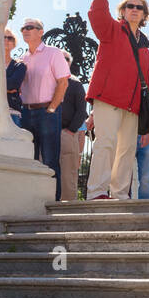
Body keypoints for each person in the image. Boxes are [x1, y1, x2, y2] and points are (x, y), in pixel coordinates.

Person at [85, 0, 149, 201]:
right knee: (106, 143)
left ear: (144, 14)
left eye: (139, 7)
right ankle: (97, 192)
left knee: (125, 151)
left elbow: (146, 83)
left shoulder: (144, 46)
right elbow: (97, 17)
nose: (134, 9)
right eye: (129, 6)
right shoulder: (112, 29)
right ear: (122, 11)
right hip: (108, 98)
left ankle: (120, 193)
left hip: (133, 105)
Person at [18, 17, 71, 199]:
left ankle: (52, 202)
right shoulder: (22, 59)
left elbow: (63, 82)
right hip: (26, 113)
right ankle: (31, 200)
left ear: (41, 32)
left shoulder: (53, 53)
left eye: (30, 27)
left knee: (49, 159)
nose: (25, 30)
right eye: (23, 28)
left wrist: (52, 108)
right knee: (28, 160)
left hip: (47, 112)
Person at [59, 54, 88, 201]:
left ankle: (68, 207)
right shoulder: (48, 80)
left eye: (66, 59)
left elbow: (82, 111)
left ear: (70, 63)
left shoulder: (76, 84)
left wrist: (71, 130)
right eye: (60, 59)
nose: (63, 62)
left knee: (68, 174)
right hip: (47, 133)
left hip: (67, 134)